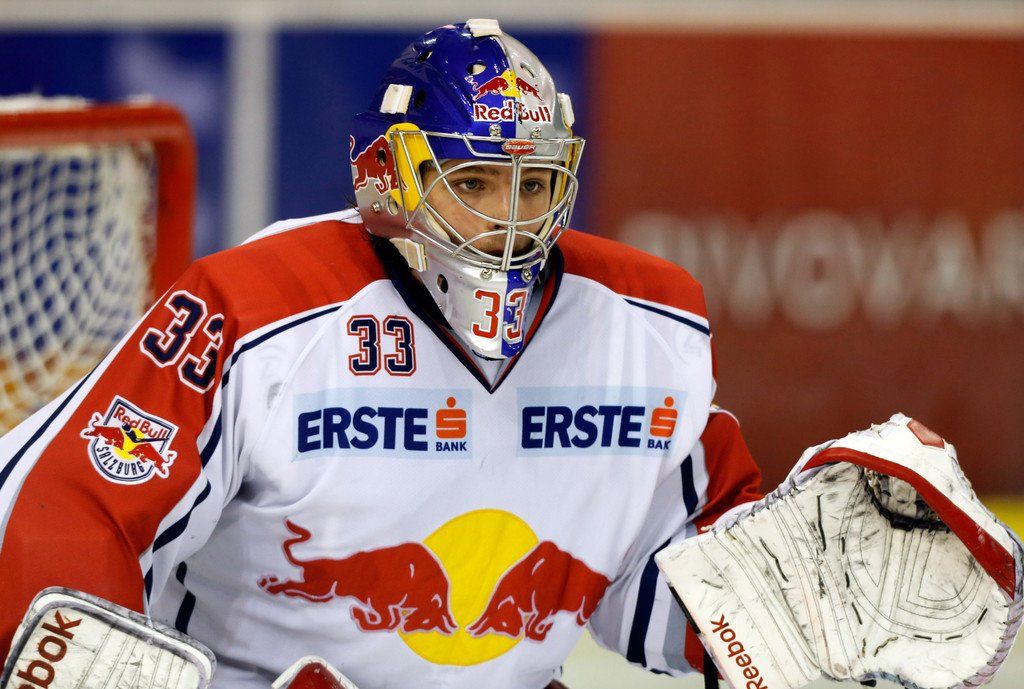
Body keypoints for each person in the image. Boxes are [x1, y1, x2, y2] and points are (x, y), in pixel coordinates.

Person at [0, 19, 762, 689]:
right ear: (391, 177)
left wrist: (776, 610)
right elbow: (64, 505)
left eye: (535, 184)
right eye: (474, 182)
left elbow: (671, 592)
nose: (510, 219)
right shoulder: (256, 307)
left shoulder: (647, 323)